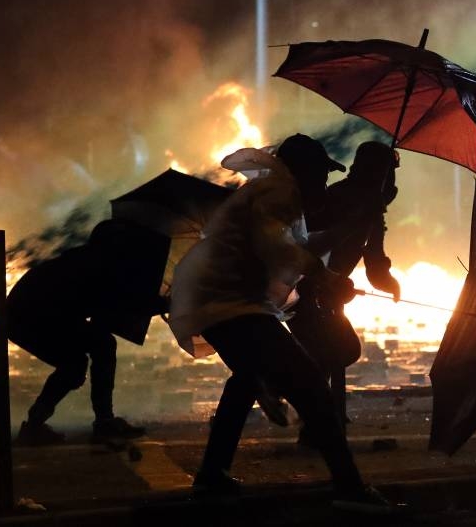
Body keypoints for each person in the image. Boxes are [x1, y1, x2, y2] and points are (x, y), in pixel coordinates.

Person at [168, 134, 392, 512]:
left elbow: (293, 246)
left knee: (246, 381)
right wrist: (322, 276)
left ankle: (211, 477)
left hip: (219, 302)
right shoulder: (279, 192)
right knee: (311, 388)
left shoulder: (271, 192)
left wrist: (333, 254)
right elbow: (275, 246)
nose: (323, 184)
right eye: (320, 175)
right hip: (231, 304)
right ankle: (349, 489)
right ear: (303, 172)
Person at [9, 219, 170, 445]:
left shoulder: (90, 260)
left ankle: (35, 425)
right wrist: (161, 305)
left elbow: (112, 306)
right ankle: (103, 421)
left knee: (74, 364)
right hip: (31, 316)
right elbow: (114, 308)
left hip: (27, 316)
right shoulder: (97, 266)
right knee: (101, 347)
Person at [288, 141, 401, 395]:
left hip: (331, 289)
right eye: (387, 173)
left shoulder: (364, 204)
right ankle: (317, 412)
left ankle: (325, 412)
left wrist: (388, 283)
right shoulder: (347, 201)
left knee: (336, 351)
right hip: (305, 286)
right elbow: (313, 244)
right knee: (336, 351)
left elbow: (375, 261)